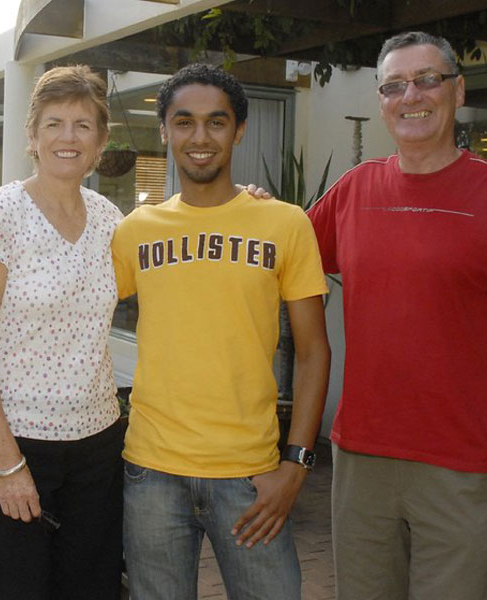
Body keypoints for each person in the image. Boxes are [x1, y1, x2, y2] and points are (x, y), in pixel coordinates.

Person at [307, 31, 487, 600]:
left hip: (461, 466)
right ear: (381, 101)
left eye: (426, 80)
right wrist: (249, 209)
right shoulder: (354, 189)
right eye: (393, 85)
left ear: (457, 90)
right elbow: (280, 255)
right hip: (361, 461)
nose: (410, 96)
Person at [112, 63, 331, 600]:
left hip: (252, 475)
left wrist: (296, 464)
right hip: (152, 473)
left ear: (239, 130)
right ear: (165, 131)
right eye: (184, 121)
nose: (200, 137)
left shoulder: (284, 223)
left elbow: (313, 352)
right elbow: (78, 320)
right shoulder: (134, 231)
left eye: (216, 121)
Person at [0, 65, 124, 599]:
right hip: (17, 442)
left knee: (93, 589)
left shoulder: (112, 220)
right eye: (54, 123)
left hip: (98, 445)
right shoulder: (0, 215)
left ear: (100, 140)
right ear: (32, 135)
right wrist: (7, 464)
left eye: (82, 125)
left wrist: (242, 201)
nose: (68, 137)